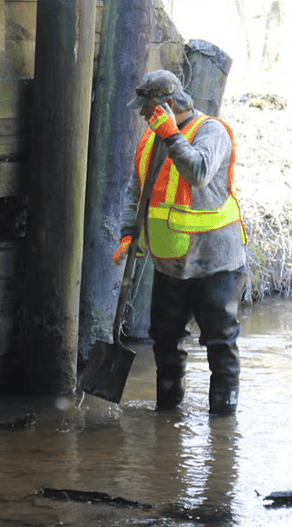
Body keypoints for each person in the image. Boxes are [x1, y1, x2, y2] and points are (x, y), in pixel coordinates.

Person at [114, 69, 247, 416]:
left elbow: (199, 173)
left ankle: (223, 424)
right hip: (170, 262)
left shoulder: (211, 132)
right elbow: (135, 191)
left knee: (220, 342)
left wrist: (172, 135)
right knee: (165, 340)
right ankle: (167, 415)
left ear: (169, 104)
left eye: (148, 109)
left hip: (216, 262)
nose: (144, 115)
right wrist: (129, 233)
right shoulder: (150, 139)